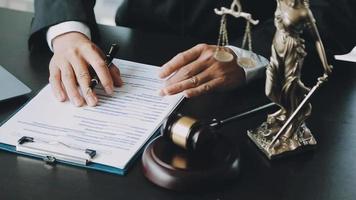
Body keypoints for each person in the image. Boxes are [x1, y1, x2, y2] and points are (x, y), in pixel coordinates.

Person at [29, 0, 275, 107]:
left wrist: (246, 55)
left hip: (246, 62)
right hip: (138, 41)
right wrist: (67, 31)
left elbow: (312, 8)